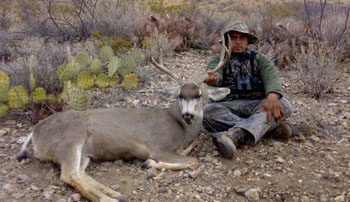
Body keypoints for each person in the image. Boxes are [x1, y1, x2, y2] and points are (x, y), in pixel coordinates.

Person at [203, 21, 293, 159]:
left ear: (247, 40)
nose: (238, 42)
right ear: (227, 41)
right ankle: (266, 129)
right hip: (228, 106)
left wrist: (273, 96)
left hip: (257, 105)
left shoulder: (260, 59)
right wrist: (214, 79)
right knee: (207, 112)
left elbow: (271, 77)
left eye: (242, 38)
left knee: (285, 105)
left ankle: (237, 134)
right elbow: (216, 73)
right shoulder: (217, 59)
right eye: (233, 38)